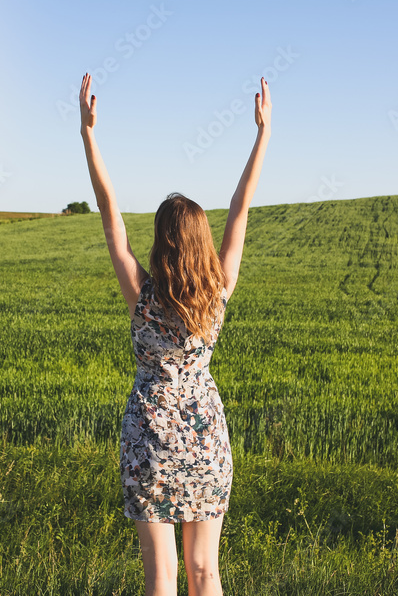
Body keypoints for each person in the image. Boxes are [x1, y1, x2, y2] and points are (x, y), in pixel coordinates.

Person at [78, 72, 272, 596]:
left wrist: (88, 134)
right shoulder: (218, 292)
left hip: (150, 438)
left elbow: (110, 215)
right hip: (206, 437)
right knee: (206, 572)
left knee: (161, 576)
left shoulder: (142, 294)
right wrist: (262, 136)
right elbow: (241, 207)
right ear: (200, 241)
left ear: (162, 242)